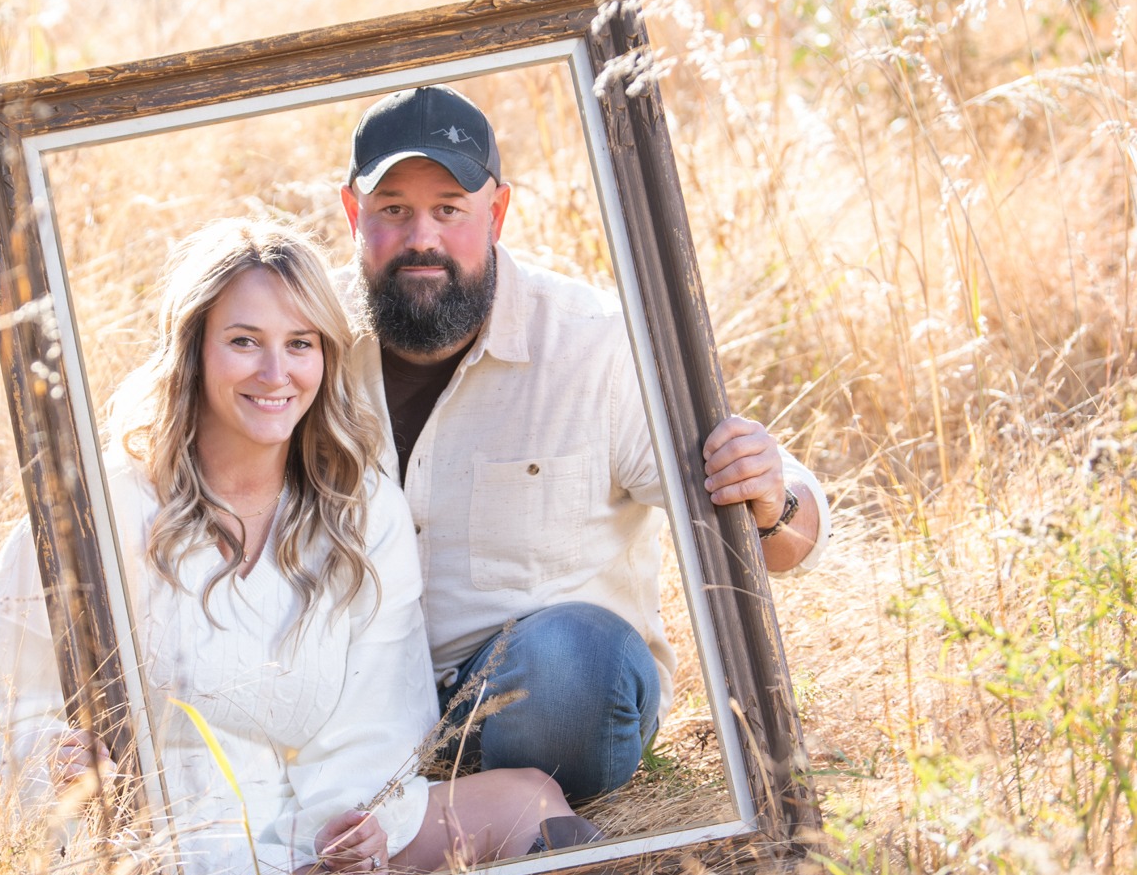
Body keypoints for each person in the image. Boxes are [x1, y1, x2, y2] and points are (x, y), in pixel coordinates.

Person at [0, 219, 589, 875]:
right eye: (244, 341)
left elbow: (384, 707)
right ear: (193, 351)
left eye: (300, 344)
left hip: (315, 824)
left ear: (326, 358)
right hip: (171, 841)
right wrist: (53, 762)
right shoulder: (98, 513)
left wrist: (354, 829)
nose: (276, 374)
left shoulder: (362, 508)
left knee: (531, 801)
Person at [337, 85, 832, 804]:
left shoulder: (596, 345)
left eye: (449, 209)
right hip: (361, 694)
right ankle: (442, 793)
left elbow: (781, 533)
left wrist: (771, 500)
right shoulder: (305, 352)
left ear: (497, 212)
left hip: (537, 694)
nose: (424, 238)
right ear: (353, 213)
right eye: (393, 211)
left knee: (575, 670)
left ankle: (474, 788)